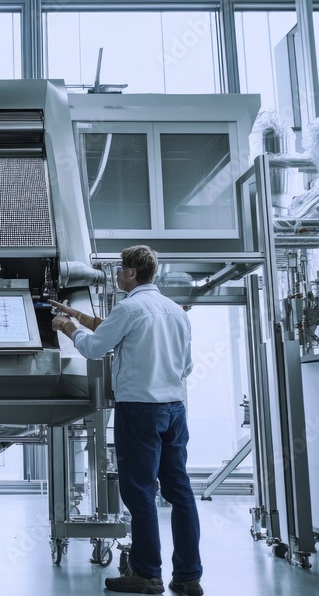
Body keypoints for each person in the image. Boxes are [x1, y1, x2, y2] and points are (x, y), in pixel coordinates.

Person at [51, 246, 203, 596]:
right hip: (174, 410)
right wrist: (76, 314)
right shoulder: (175, 312)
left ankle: (147, 574)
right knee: (180, 493)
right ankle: (188, 577)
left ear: (132, 274)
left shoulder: (129, 307)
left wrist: (66, 328)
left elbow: (92, 348)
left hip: (139, 411)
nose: (116, 273)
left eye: (120, 269)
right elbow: (186, 365)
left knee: (140, 494)